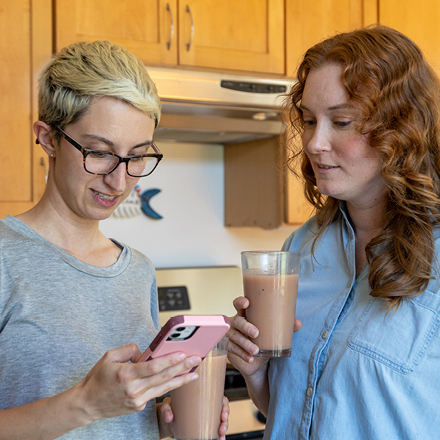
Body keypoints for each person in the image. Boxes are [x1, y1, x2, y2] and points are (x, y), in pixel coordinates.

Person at [0, 40, 229, 439]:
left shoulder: (137, 270)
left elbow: (124, 418)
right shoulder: (5, 257)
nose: (119, 181)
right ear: (48, 138)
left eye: (137, 156)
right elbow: (92, 408)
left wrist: (169, 420)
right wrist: (85, 403)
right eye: (99, 152)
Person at [227, 24, 440, 439]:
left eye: (341, 122)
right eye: (308, 120)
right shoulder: (303, 247)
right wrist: (255, 372)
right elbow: (295, 411)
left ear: (402, 129)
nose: (314, 142)